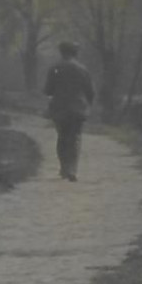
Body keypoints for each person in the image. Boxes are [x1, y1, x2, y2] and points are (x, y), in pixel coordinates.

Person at [43, 41, 96, 181]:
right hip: (78, 108)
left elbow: (47, 90)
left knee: (62, 137)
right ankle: (72, 169)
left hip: (60, 109)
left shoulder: (54, 69)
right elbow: (90, 91)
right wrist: (88, 104)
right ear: (76, 53)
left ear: (61, 52)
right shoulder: (83, 69)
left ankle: (64, 168)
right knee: (75, 137)